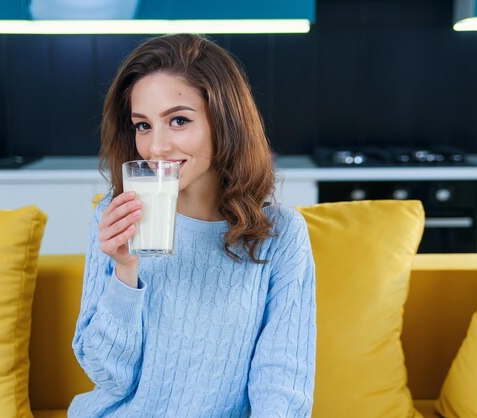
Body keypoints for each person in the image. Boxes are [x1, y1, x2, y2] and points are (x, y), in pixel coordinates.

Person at [69, 33, 316, 417]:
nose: (156, 147)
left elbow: (282, 382)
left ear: (225, 121)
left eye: (179, 120)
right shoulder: (114, 215)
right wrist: (125, 272)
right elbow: (108, 376)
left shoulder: (280, 233)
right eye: (143, 125)